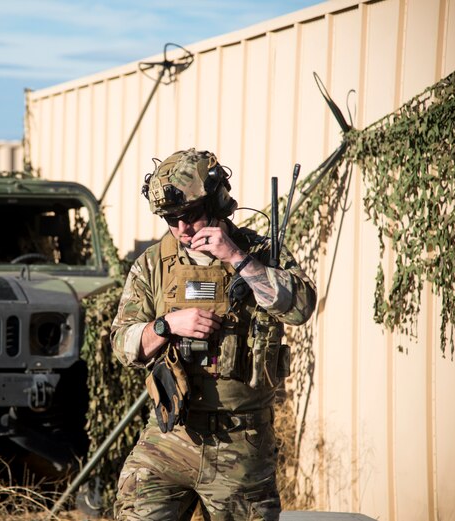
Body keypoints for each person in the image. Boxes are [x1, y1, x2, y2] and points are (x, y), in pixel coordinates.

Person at [110, 148, 316, 520]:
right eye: (171, 220)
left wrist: (237, 258)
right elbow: (123, 343)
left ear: (218, 202)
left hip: (241, 443)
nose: (182, 229)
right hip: (171, 435)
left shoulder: (259, 252)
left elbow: (300, 307)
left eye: (189, 216)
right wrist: (166, 325)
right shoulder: (153, 263)